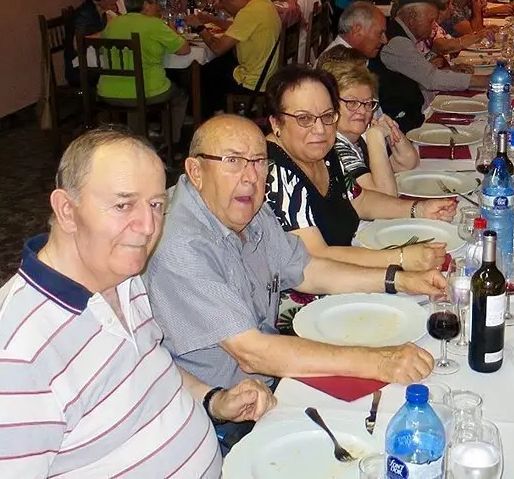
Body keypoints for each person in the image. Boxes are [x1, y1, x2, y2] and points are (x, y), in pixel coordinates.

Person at [0, 127, 276, 478]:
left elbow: (148, 370)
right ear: (66, 209)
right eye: (123, 205)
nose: (147, 226)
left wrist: (214, 400)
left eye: (156, 205)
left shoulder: (122, 279)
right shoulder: (12, 354)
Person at [144, 113, 444, 391]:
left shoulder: (244, 205)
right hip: (226, 412)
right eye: (233, 161)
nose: (250, 177)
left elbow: (307, 271)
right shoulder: (180, 244)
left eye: (259, 161)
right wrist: (379, 362)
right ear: (195, 171)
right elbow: (253, 353)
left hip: (270, 377)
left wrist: (400, 279)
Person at [264, 67, 455, 326]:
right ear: (276, 123)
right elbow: (315, 257)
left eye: (327, 116)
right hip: (306, 309)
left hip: (351, 280)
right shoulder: (274, 173)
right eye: (304, 119)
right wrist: (400, 259)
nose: (319, 129)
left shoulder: (323, 150)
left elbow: (359, 199)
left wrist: (418, 209)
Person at [370, 0, 489, 132]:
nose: (434, 26)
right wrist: (486, 81)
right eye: (431, 20)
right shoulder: (397, 42)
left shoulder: (400, 35)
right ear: (412, 17)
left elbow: (422, 73)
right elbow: (432, 79)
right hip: (403, 124)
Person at [96, 0, 190, 142]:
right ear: (146, 5)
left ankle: (136, 139)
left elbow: (101, 48)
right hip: (146, 91)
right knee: (180, 96)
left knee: (134, 92)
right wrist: (173, 29)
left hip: (109, 90)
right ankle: (171, 141)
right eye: (155, 3)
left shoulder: (113, 23)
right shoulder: (154, 24)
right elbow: (184, 49)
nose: (158, 7)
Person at [318, 49, 418, 195]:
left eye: (367, 103)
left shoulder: (357, 139)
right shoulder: (335, 147)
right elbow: (385, 196)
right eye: (352, 102)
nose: (362, 111)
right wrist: (375, 138)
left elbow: (408, 162)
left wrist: (391, 130)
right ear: (331, 104)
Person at [189, 0, 282, 116]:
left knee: (205, 72)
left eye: (221, 0)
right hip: (268, 72)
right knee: (218, 64)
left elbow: (217, 48)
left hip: (254, 82)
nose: (220, 5)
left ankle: (215, 118)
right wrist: (210, 19)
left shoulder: (248, 13)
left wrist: (199, 28)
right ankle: (221, 111)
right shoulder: (262, 2)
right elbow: (237, 26)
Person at [64, 0, 119, 85]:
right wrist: (109, 31)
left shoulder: (104, 11)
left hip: (96, 62)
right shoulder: (84, 15)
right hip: (82, 70)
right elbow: (78, 44)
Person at [319, 1, 387, 61]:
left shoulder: (355, 57)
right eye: (380, 33)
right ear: (357, 30)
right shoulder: (338, 67)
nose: (385, 41)